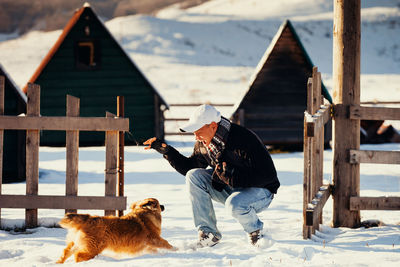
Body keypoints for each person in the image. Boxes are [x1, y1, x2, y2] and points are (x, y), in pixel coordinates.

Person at [144, 104, 280, 247]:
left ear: (213, 126)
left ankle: (256, 232)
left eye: (198, 131)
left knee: (235, 204)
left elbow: (268, 176)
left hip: (261, 191)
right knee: (193, 176)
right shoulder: (204, 144)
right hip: (232, 187)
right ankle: (209, 234)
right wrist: (167, 152)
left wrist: (233, 177)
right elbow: (191, 167)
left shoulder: (244, 139)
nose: (195, 136)